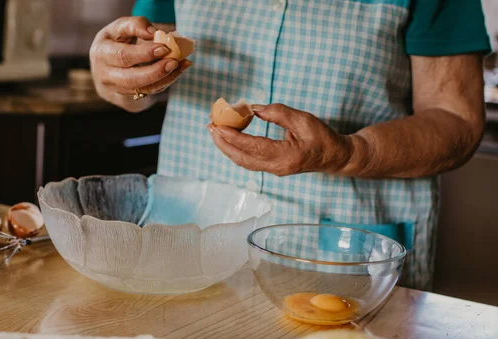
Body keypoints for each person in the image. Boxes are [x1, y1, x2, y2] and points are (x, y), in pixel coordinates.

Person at [89, 0, 491, 291]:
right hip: (192, 243)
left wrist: (350, 152)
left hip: (348, 259)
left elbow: (456, 120)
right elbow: (143, 69)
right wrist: (111, 71)